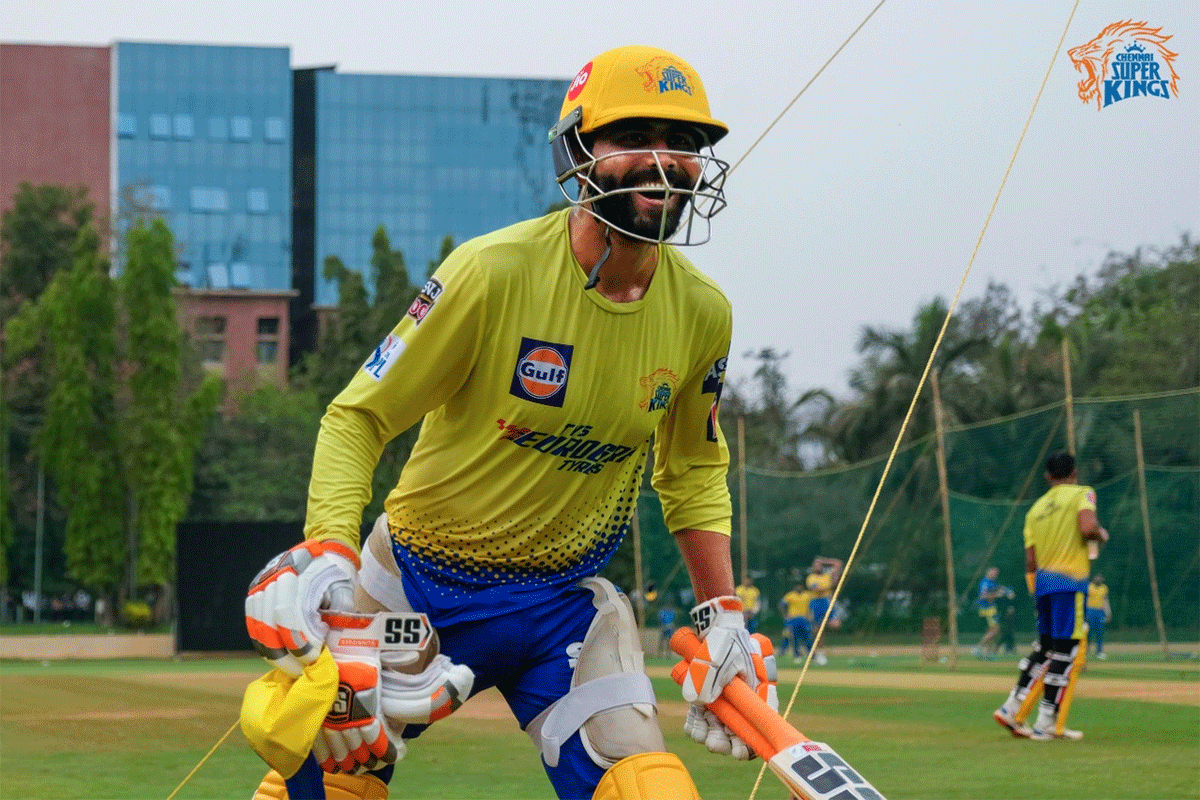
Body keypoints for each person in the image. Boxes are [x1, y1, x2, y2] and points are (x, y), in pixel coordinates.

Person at [242, 45, 777, 800]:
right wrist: (330, 556)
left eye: (686, 145)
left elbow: (691, 470)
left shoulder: (703, 312)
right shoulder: (489, 273)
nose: (665, 164)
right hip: (410, 591)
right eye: (636, 139)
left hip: (560, 609)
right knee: (327, 791)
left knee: (652, 791)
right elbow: (357, 415)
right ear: (581, 152)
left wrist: (723, 614)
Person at [993, 451, 1109, 741]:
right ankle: (1045, 722)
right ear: (1074, 473)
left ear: (1047, 477)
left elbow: (1030, 561)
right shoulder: (1083, 493)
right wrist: (1101, 535)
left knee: (1044, 647)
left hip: (1042, 584)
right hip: (1069, 584)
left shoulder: (1035, 510)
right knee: (1065, 650)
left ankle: (1011, 706)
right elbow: (1088, 528)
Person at [805, 556, 843, 665]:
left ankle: (818, 651)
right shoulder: (811, 578)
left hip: (826, 602)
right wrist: (830, 586)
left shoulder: (826, 576)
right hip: (816, 603)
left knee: (835, 625)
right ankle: (819, 653)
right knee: (817, 630)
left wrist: (824, 561)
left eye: (819, 565)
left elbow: (838, 563)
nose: (818, 566)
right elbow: (816, 589)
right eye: (816, 565)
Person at [973, 566, 1014, 659]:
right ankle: (978, 647)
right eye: (994, 573)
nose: (995, 575)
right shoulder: (985, 582)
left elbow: (1000, 588)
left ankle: (989, 654)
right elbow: (983, 596)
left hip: (991, 609)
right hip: (987, 609)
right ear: (988, 572)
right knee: (996, 629)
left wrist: (1008, 591)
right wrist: (997, 595)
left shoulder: (992, 582)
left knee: (991, 631)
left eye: (996, 573)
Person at [778, 582, 815, 664]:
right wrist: (785, 615)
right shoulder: (790, 595)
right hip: (793, 619)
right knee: (794, 637)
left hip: (804, 619)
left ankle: (811, 655)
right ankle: (796, 655)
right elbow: (781, 604)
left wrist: (810, 615)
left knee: (808, 637)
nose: (799, 587)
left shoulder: (807, 595)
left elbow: (812, 606)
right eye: (797, 585)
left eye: (800, 585)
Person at [1085, 573, 1111, 660]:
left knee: (1100, 633)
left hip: (1100, 611)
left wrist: (1108, 612)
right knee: (1088, 633)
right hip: (1090, 610)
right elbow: (1085, 600)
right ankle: (1085, 652)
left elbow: (1105, 600)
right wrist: (1085, 613)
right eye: (1097, 578)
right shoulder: (1089, 586)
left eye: (1100, 578)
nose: (1098, 580)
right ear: (1094, 579)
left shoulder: (1104, 588)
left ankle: (1099, 652)